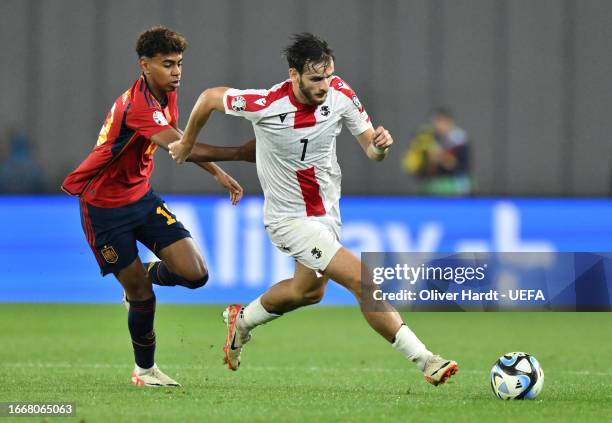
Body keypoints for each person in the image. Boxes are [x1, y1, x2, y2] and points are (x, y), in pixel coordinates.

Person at [170, 33, 458, 386]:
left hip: (326, 214)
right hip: (288, 220)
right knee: (363, 280)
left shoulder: (340, 95)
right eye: (315, 79)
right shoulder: (265, 103)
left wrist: (380, 147)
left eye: (328, 76)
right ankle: (426, 360)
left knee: (307, 292)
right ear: (294, 75)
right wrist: (187, 142)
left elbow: (371, 148)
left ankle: (242, 319)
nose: (325, 85)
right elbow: (210, 98)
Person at [62, 26, 254, 387]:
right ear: (144, 65)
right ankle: (145, 370)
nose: (177, 72)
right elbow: (179, 147)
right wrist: (240, 154)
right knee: (142, 297)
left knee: (196, 274)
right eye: (168, 64)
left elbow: (180, 137)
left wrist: (217, 174)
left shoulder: (165, 93)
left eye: (179, 63)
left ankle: (138, 276)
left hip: (141, 197)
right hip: (103, 207)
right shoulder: (137, 105)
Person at [402, 107, 471, 195]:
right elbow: (417, 167)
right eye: (435, 121)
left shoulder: (459, 139)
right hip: (434, 183)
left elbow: (456, 166)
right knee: (429, 187)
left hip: (456, 182)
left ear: (448, 122)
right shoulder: (430, 137)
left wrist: (439, 155)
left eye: (440, 121)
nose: (437, 125)